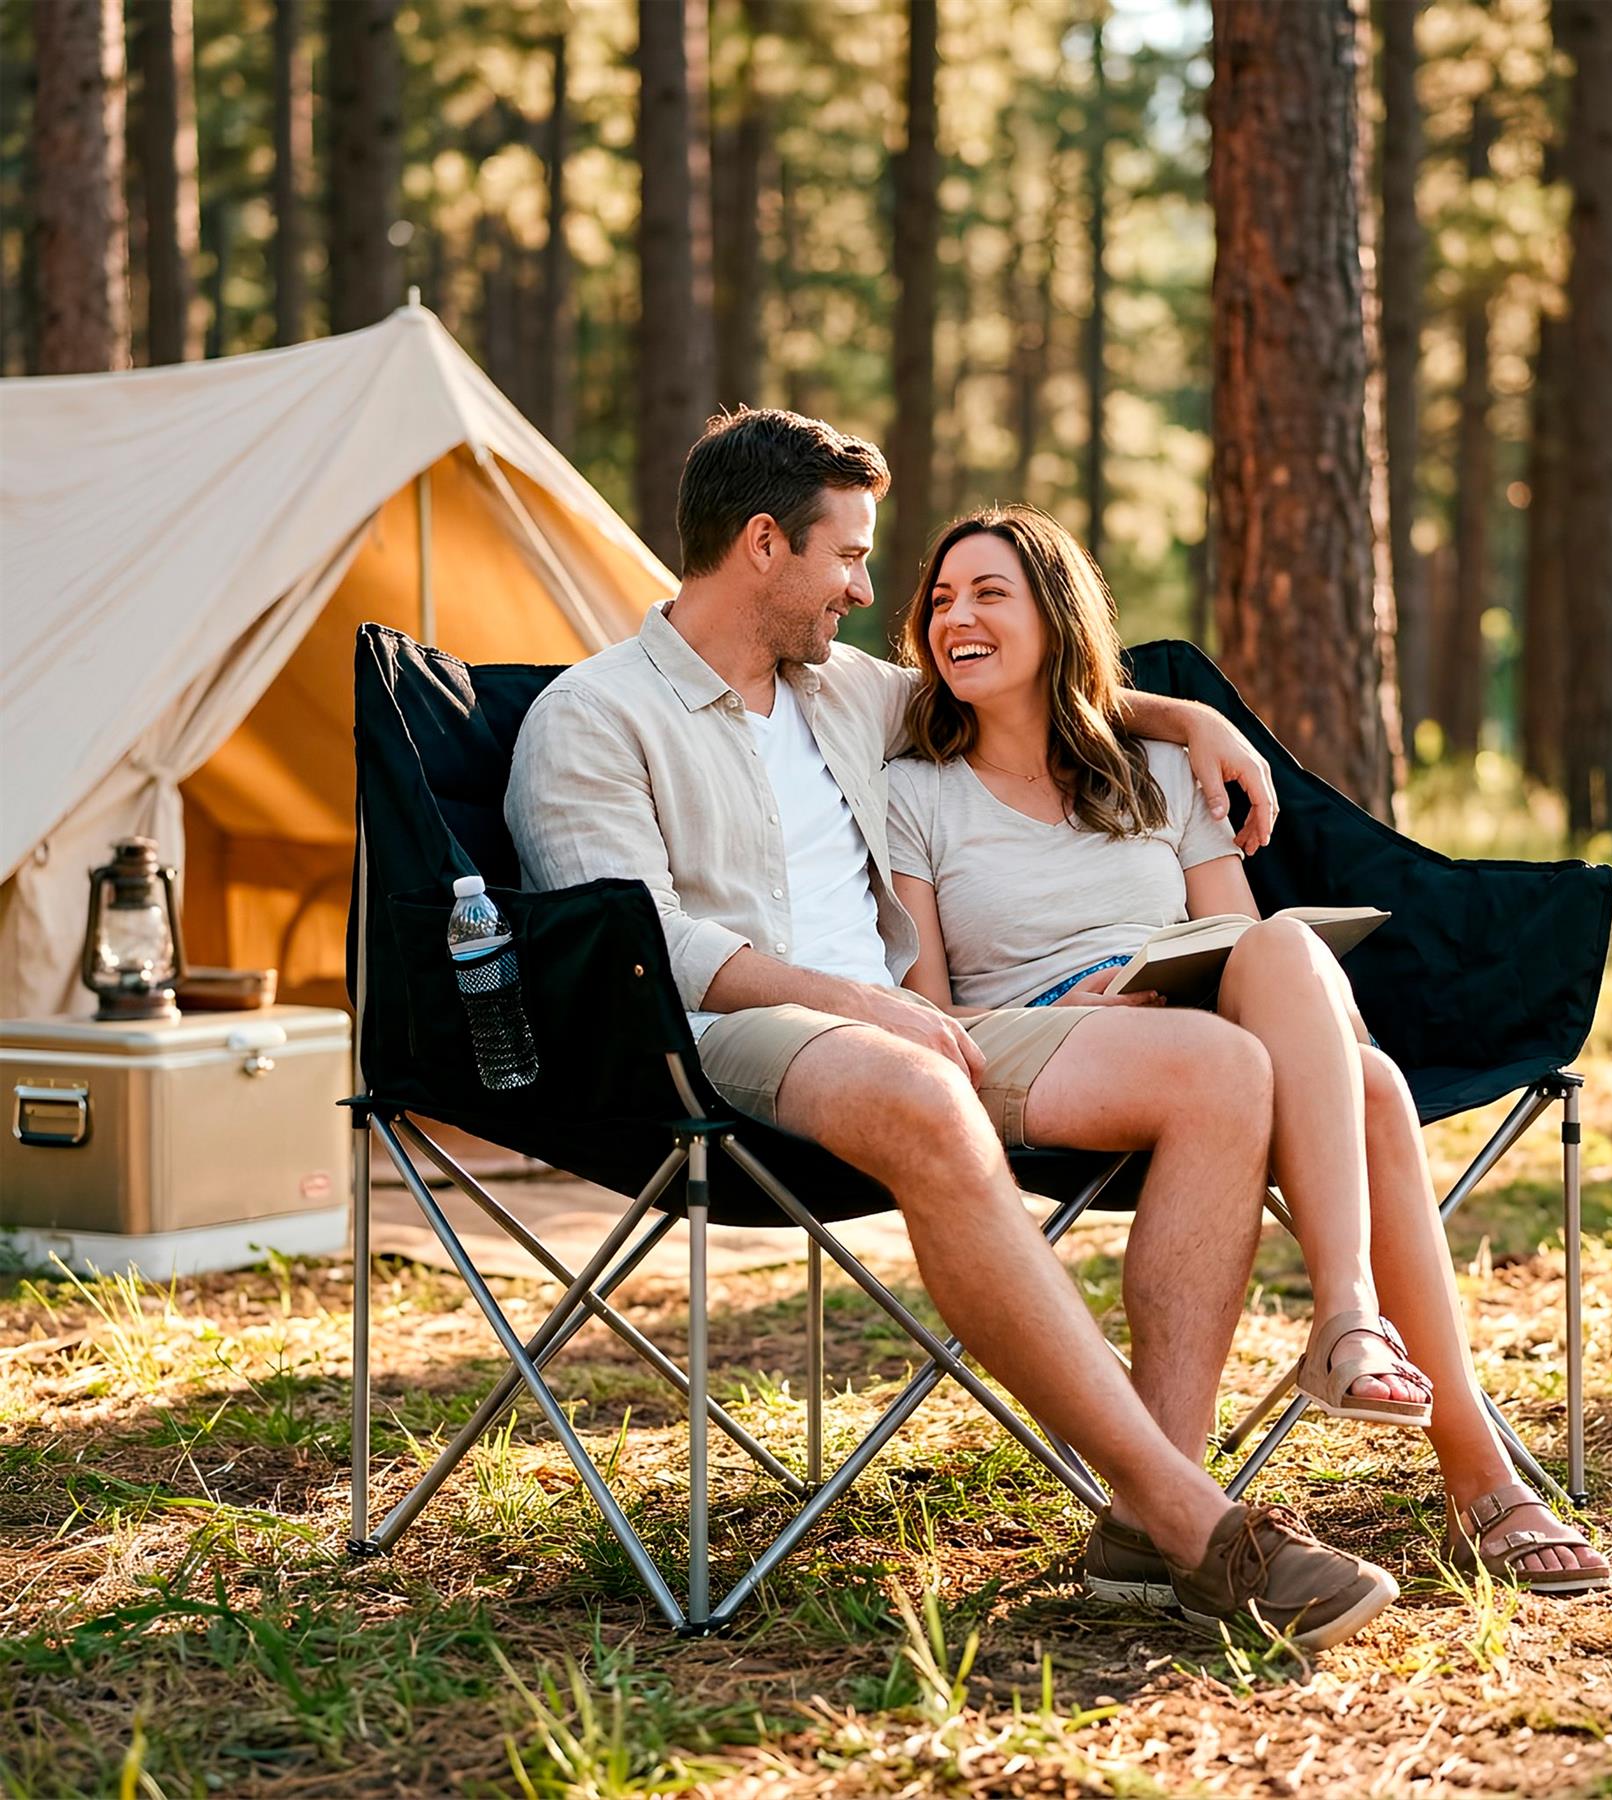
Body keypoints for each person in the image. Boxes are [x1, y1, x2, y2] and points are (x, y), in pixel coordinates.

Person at [505, 408, 1401, 1649]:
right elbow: (645, 949)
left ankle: (1147, 1529)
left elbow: (1021, 680)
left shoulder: (841, 692)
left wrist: (1188, 719)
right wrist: (858, 1000)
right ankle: (1199, 1526)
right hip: (722, 1039)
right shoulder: (592, 718)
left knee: (1221, 1065)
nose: (869, 591)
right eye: (850, 558)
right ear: (764, 544)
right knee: (920, 1085)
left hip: (927, 1031)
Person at [885, 504, 1610, 1598]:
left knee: (1330, 1024)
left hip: (1193, 1032)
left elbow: (1228, 941)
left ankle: (1352, 1326)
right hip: (1027, 1046)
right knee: (1357, 1082)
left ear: (1056, 616)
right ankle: (1475, 1469)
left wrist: (1166, 980)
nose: (957, 618)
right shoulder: (913, 789)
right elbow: (931, 1012)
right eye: (940, 599)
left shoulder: (1160, 772)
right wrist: (1092, 1010)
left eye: (991, 593)